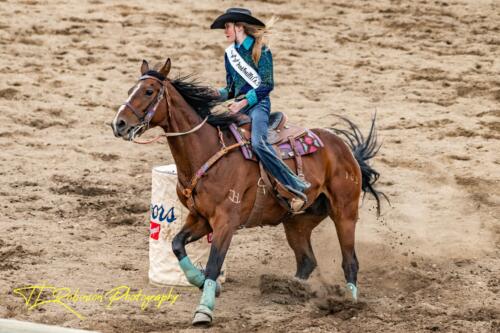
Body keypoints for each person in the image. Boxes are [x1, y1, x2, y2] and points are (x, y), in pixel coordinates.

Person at [211, 8, 310, 203]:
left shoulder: (261, 50)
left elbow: (267, 84)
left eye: (227, 26)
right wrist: (214, 95)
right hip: (239, 106)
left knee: (258, 142)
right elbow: (231, 89)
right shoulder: (230, 53)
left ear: (240, 27)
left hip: (258, 106)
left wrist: (245, 102)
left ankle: (292, 183)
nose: (225, 31)